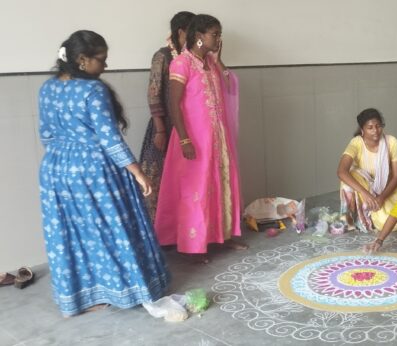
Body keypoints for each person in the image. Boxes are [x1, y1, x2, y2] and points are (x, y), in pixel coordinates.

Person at [38, 30, 169, 316]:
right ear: (83, 60)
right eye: (102, 60)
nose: (106, 66)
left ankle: (83, 296)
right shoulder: (92, 91)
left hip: (55, 170)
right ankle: (123, 289)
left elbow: (45, 134)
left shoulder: (47, 88)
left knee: (73, 234)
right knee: (110, 231)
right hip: (93, 172)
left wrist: (64, 156)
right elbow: (110, 139)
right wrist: (138, 173)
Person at [154, 14, 245, 262]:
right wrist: (184, 139)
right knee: (195, 190)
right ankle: (193, 246)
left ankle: (222, 237)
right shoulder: (182, 63)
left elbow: (229, 86)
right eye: (214, 34)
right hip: (193, 139)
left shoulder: (211, 63)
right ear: (199, 37)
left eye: (219, 34)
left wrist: (220, 59)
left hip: (216, 137)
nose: (218, 38)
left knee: (219, 184)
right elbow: (174, 103)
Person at [138, 11, 195, 222]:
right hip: (166, 127)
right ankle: (161, 231)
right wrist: (161, 129)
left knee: (186, 180)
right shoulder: (162, 56)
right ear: (182, 31)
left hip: (189, 127)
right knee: (160, 179)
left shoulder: (194, 58)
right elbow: (154, 93)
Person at [338, 108, 397, 233]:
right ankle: (355, 217)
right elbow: (341, 171)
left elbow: (396, 176)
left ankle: (371, 213)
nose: (375, 131)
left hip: (387, 187)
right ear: (362, 130)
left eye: (378, 126)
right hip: (364, 187)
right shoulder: (356, 143)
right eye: (370, 127)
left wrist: (381, 197)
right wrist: (366, 194)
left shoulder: (392, 142)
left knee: (390, 224)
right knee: (347, 182)